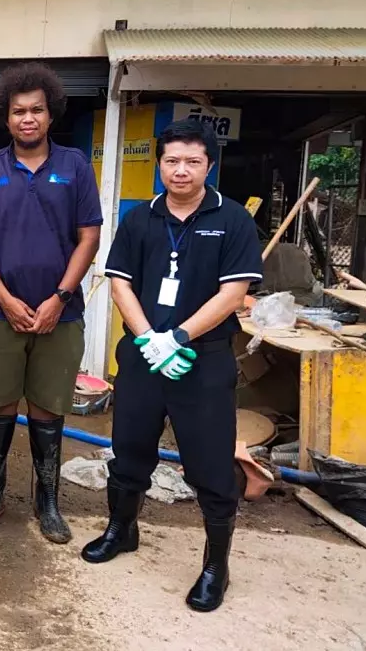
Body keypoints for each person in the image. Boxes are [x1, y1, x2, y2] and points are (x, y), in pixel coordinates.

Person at [82, 119, 262, 613]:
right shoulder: (140, 219)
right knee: (130, 449)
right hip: (144, 359)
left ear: (209, 165)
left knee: (208, 463)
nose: (180, 171)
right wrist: (150, 340)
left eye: (192, 161)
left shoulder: (233, 221)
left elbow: (234, 294)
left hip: (203, 363)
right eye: (171, 161)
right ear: (160, 164)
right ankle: (121, 529)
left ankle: (215, 567)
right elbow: (121, 284)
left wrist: (180, 337)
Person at [0, 63, 102, 543]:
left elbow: (89, 237)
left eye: (37, 110)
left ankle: (48, 502)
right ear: (5, 116)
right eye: (18, 111)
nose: (28, 118)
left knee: (48, 409)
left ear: (51, 113)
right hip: (1, 312)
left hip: (61, 315)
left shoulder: (75, 166)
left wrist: (60, 297)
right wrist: (4, 296)